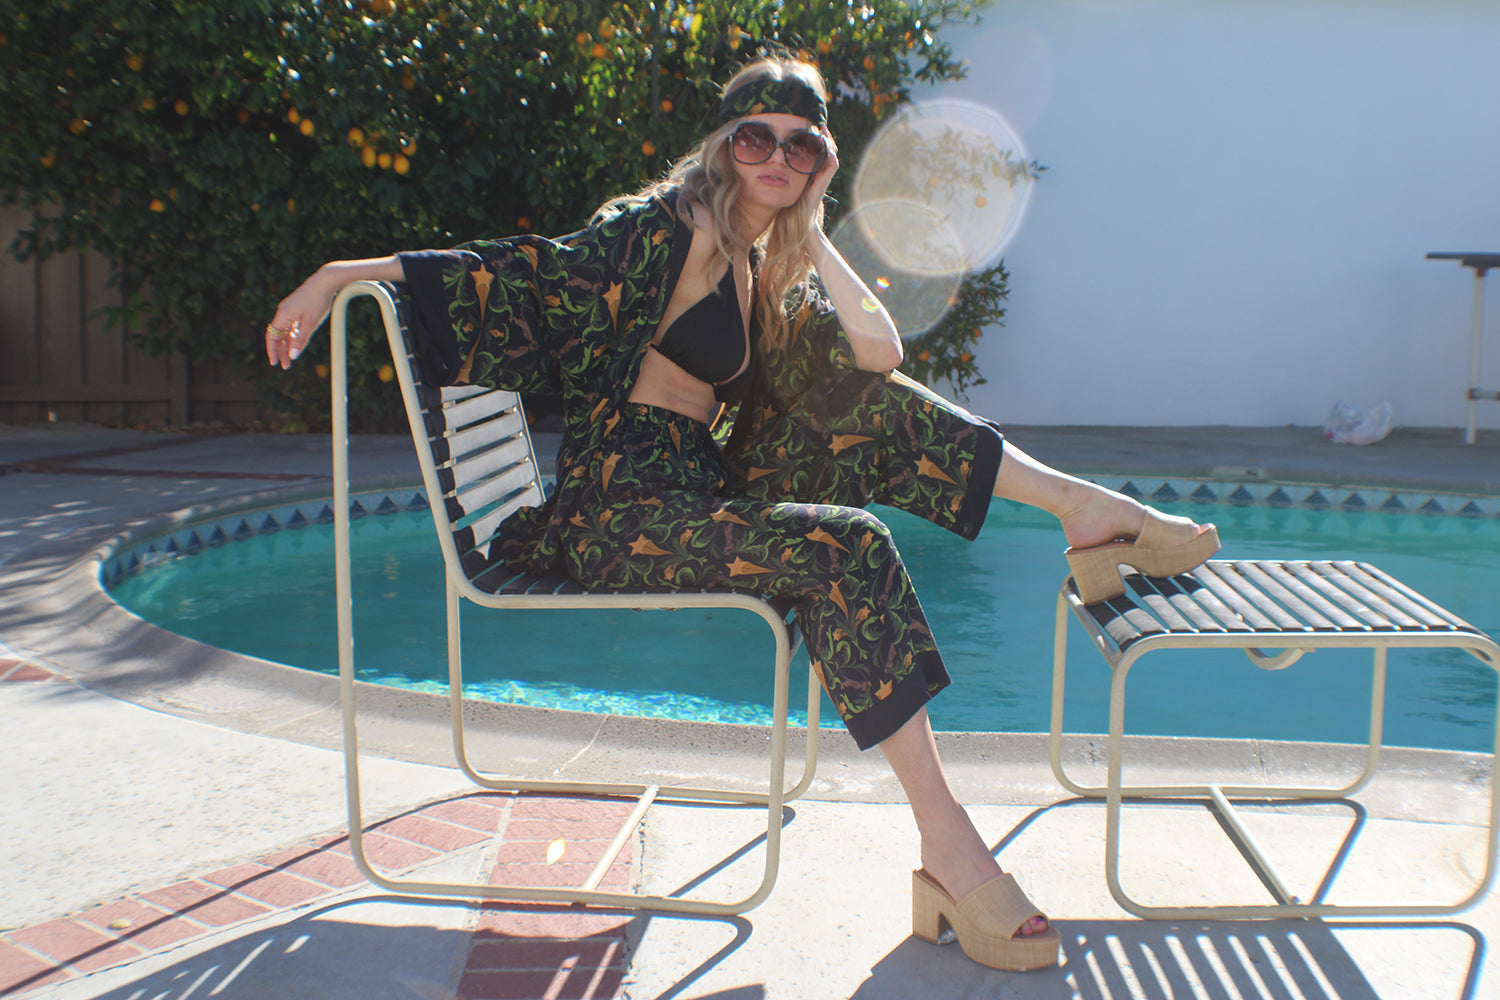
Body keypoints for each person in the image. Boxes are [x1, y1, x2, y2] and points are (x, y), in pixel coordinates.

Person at [265, 56, 1218, 972]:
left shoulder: (758, 255)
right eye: (756, 137)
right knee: (847, 548)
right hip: (617, 505)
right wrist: (336, 272)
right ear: (723, 143)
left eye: (802, 146)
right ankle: (951, 850)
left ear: (821, 162)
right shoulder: (663, 229)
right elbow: (520, 272)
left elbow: (879, 355)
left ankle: (1082, 509)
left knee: (862, 405)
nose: (776, 158)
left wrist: (813, 226)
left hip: (695, 481)